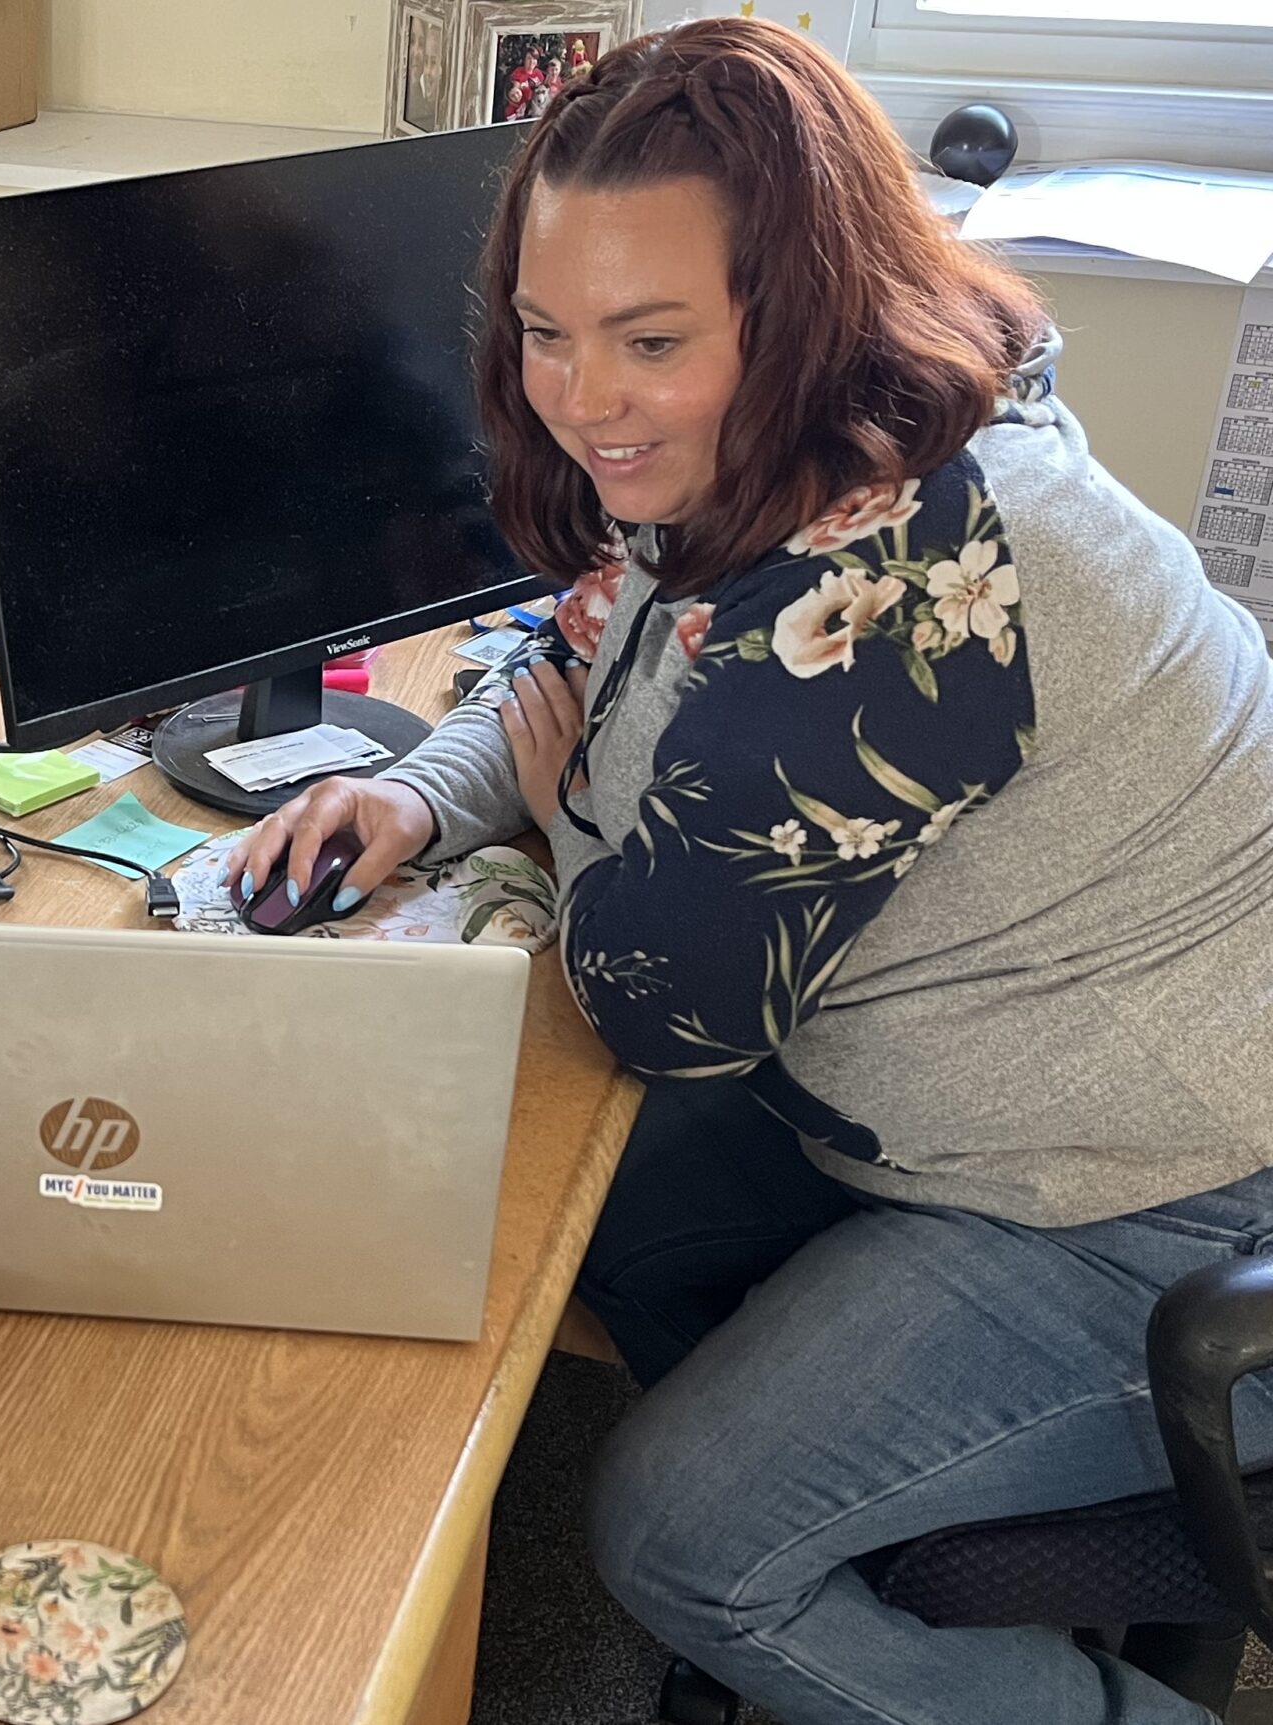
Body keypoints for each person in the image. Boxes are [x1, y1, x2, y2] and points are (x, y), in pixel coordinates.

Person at [232, 19, 1273, 1723]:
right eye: (547, 332)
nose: (584, 399)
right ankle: (866, 1533)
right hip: (966, 1096)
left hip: (1154, 1193)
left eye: (649, 339)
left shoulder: (908, 574)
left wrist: (575, 818)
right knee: (553, 1217)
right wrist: (420, 797)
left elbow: (659, 1005)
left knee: (679, 1535)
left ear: (795, 310)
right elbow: (581, 657)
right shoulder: (771, 436)